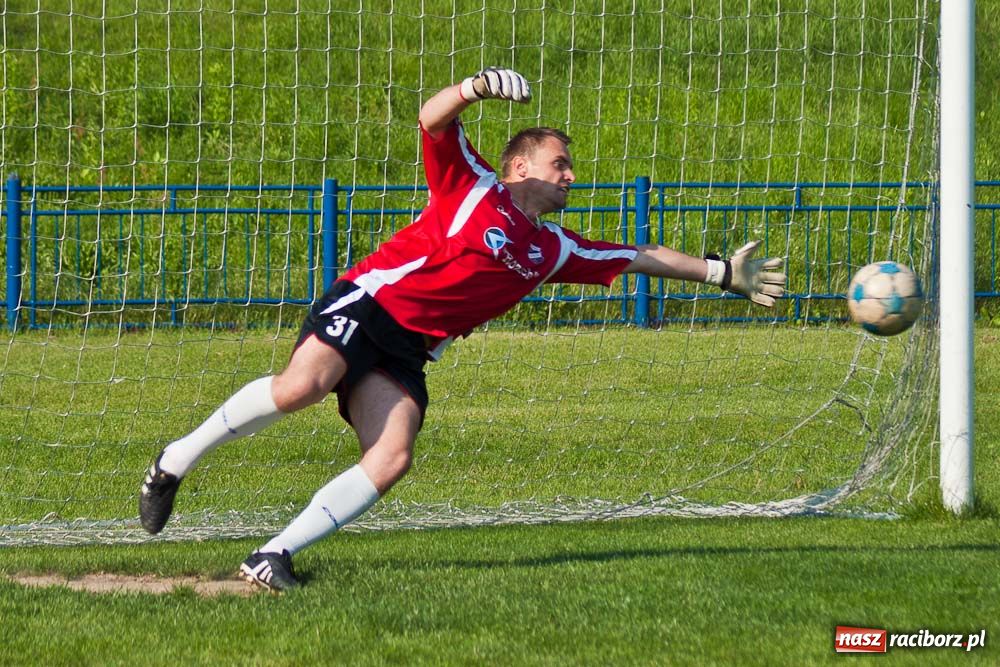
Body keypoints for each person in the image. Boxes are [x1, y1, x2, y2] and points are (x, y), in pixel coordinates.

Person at [139, 68, 786, 592]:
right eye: (559, 163)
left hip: (409, 351)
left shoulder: (554, 250)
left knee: (392, 457)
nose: (571, 175)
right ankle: (173, 461)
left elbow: (639, 255)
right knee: (300, 387)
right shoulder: (472, 184)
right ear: (520, 166)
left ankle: (271, 555)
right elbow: (431, 118)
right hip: (370, 304)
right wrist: (475, 87)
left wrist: (723, 271)